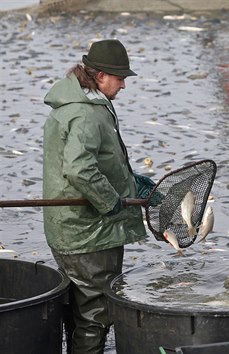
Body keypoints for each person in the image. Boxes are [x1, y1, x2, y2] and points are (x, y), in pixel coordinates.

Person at [42, 39, 155, 353]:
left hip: (64, 229)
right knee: (96, 314)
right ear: (101, 75)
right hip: (90, 234)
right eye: (120, 78)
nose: (123, 85)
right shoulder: (87, 115)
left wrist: (131, 183)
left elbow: (101, 162)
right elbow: (79, 168)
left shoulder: (72, 104)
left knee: (77, 308)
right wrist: (111, 202)